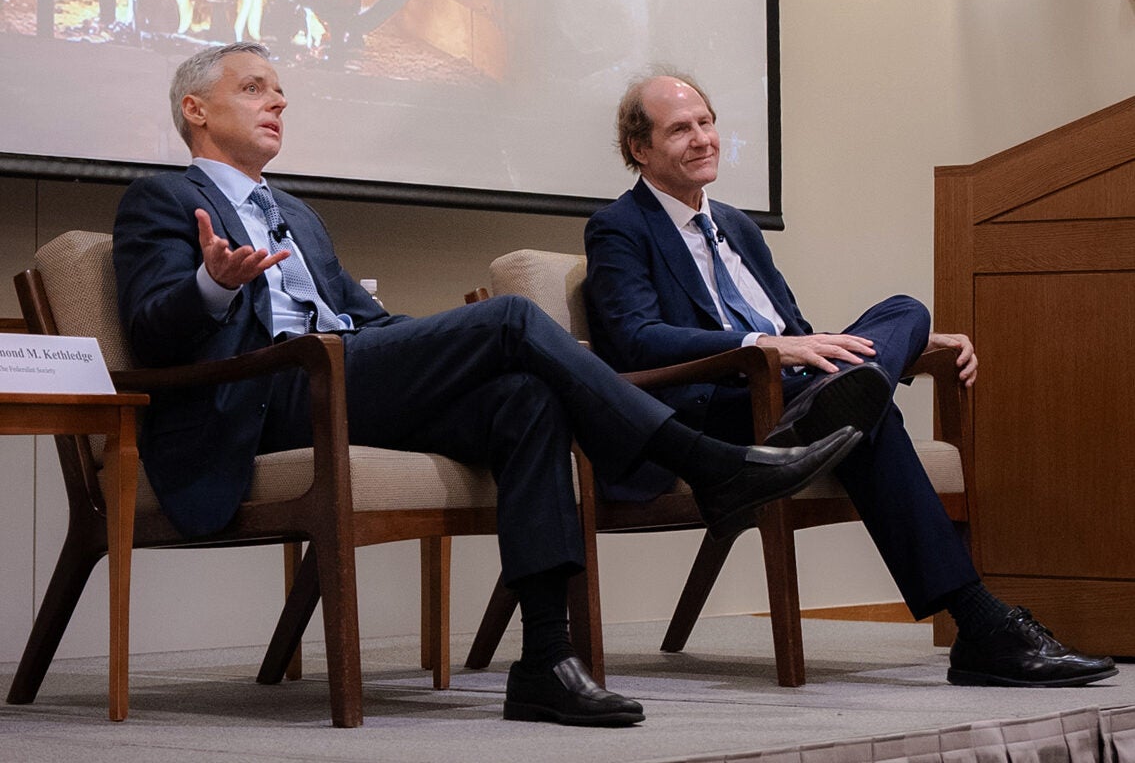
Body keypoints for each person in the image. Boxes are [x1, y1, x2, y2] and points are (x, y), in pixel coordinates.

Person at [112, 43, 862, 727]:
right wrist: (211, 285)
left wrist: (439, 342)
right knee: (508, 321)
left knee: (524, 397)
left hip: (342, 378)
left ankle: (544, 660)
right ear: (196, 110)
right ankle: (707, 464)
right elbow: (151, 332)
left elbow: (366, 320)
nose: (278, 102)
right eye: (254, 89)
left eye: (280, 91)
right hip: (263, 400)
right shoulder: (162, 200)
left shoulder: (296, 215)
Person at [583, 70, 1118, 689]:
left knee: (906, 311)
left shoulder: (739, 227)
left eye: (706, 122)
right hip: (714, 407)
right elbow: (635, 340)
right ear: (639, 149)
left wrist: (913, 343)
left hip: (789, 395)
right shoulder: (620, 227)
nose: (703, 138)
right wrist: (761, 344)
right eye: (680, 129)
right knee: (868, 413)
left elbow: (804, 332)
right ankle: (980, 625)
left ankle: (827, 416)